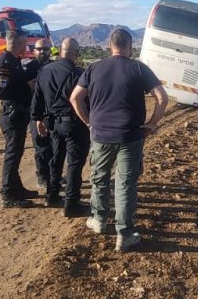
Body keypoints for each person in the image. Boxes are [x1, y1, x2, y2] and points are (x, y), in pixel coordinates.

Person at [70, 29, 168, 252]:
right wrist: (152, 124)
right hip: (130, 136)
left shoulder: (94, 68)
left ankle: (98, 220)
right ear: (130, 46)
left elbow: (75, 98)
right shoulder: (139, 68)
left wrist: (89, 122)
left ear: (109, 46)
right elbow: (162, 98)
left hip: (101, 135)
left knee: (100, 178)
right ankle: (124, 234)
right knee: (125, 185)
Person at [31, 37, 89, 217]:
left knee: (56, 159)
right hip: (73, 124)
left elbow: (37, 98)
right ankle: (71, 203)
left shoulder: (45, 70)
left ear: (60, 51)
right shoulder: (78, 73)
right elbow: (86, 100)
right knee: (74, 163)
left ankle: (52, 195)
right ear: (76, 54)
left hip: (53, 123)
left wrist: (37, 118)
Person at [0, 30, 39, 208]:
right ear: (18, 44)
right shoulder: (5, 62)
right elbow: (1, 92)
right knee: (12, 154)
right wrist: (26, 86)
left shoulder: (14, 61)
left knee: (17, 152)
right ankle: (7, 194)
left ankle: (16, 188)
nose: (25, 46)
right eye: (24, 43)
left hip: (17, 114)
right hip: (11, 115)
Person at [26, 38, 54, 190]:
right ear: (33, 51)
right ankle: (42, 177)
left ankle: (53, 175)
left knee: (53, 146)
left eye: (45, 49)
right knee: (41, 146)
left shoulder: (53, 66)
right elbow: (31, 87)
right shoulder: (30, 68)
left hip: (52, 112)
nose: (42, 52)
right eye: (39, 49)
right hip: (37, 113)